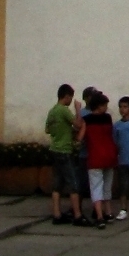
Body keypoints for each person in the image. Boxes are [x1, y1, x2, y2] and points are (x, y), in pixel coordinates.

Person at [45, 83, 84, 225]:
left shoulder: (52, 111)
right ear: (66, 97)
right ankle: (78, 216)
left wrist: (61, 130)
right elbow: (78, 124)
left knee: (57, 184)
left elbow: (47, 130)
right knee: (73, 184)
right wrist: (78, 110)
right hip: (65, 150)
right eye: (70, 98)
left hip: (54, 149)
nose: (70, 100)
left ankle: (57, 214)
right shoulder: (63, 110)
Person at [82, 91, 118, 227]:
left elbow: (81, 137)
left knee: (96, 187)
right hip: (109, 155)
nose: (106, 108)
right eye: (105, 105)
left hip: (95, 157)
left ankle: (99, 216)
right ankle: (108, 212)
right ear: (99, 106)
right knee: (107, 186)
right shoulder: (107, 118)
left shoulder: (87, 120)